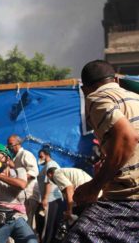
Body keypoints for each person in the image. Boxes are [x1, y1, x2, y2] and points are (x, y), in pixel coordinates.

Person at [63, 60, 139, 242]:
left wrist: (94, 186)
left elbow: (128, 137)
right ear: (116, 80)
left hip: (129, 196)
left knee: (79, 237)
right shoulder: (135, 97)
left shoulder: (96, 97)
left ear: (84, 89)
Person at [7, 135, 40, 230]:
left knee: (26, 224)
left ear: (18, 143)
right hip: (21, 195)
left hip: (29, 194)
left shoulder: (26, 154)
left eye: (10, 144)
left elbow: (34, 172)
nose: (8, 147)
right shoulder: (14, 158)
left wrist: (19, 180)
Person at [37, 149, 64, 243]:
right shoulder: (47, 165)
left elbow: (49, 182)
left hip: (52, 199)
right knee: (47, 225)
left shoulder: (50, 164)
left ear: (47, 155)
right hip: (51, 199)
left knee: (48, 226)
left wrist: (45, 199)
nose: (39, 159)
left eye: (41, 156)